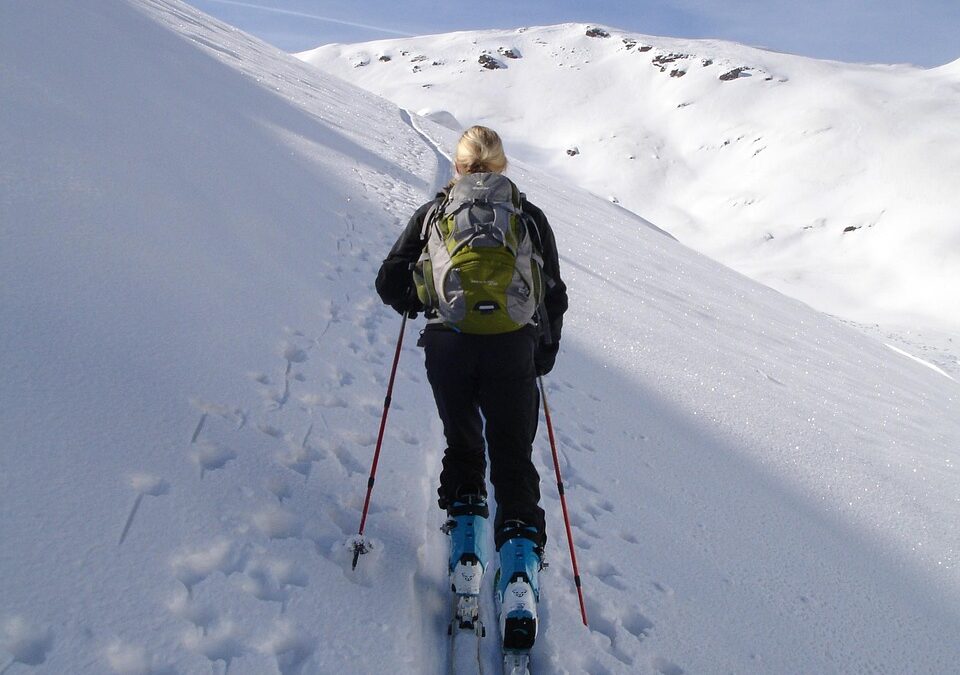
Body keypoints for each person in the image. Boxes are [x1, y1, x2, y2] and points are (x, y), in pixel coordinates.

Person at [375, 126, 567, 648]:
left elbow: (389, 281)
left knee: (464, 445)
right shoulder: (527, 215)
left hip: (450, 346)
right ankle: (521, 578)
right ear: (501, 166)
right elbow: (553, 293)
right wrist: (540, 354)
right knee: (513, 457)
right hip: (513, 349)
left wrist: (421, 302)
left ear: (458, 166)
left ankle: (465, 559)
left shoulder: (436, 212)